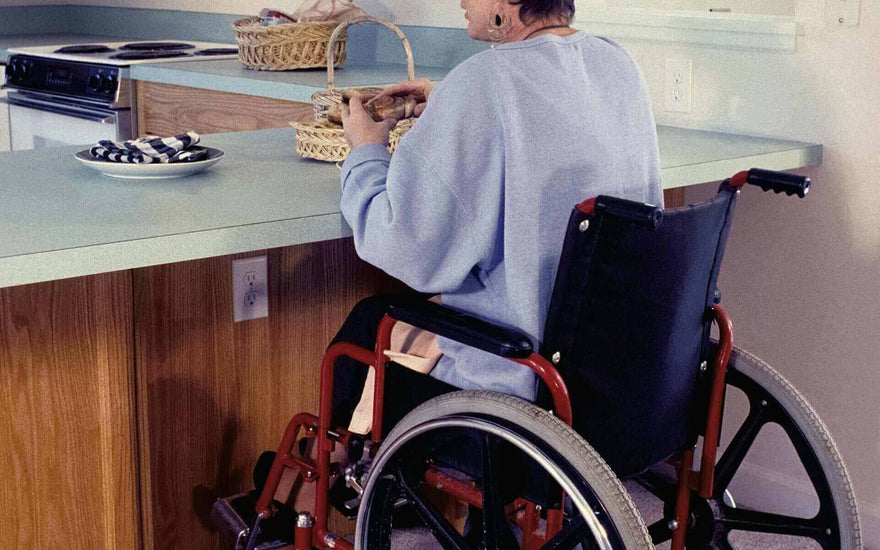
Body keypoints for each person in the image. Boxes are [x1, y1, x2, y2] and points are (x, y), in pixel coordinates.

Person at [332, 0, 663, 436]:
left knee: (368, 321)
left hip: (521, 382)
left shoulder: (482, 82)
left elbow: (404, 246)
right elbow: (544, 134)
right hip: (611, 372)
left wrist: (364, 151)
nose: (463, 2)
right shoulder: (617, 63)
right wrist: (451, 110)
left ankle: (328, 478)